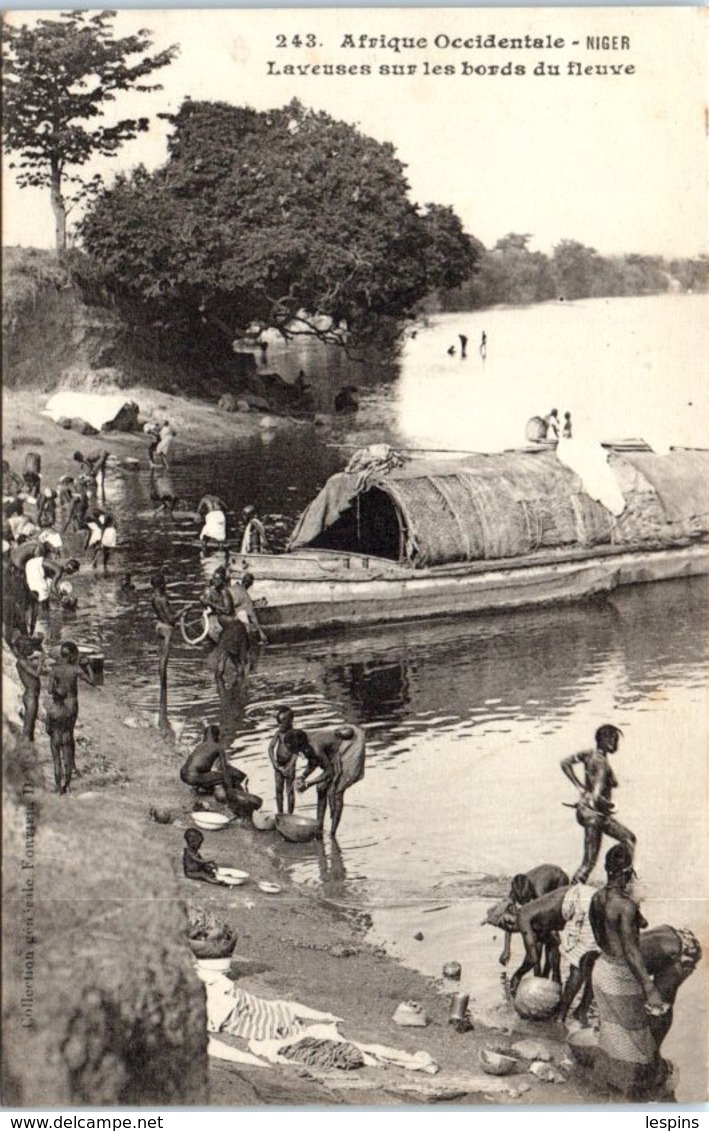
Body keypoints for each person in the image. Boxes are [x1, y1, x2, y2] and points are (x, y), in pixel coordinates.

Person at [588, 844, 669, 1096]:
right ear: (627, 872)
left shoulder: (596, 898)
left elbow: (603, 931)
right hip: (620, 976)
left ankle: (610, 1083)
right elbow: (632, 952)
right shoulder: (626, 906)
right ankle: (632, 1093)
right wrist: (649, 986)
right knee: (636, 1034)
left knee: (612, 1031)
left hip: (601, 970)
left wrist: (635, 915)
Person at [561, 724, 636, 883]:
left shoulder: (588, 754)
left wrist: (580, 788)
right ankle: (624, 881)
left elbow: (565, 763)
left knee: (589, 862)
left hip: (586, 812)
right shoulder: (601, 763)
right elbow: (596, 796)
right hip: (595, 815)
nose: (616, 744)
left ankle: (623, 879)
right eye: (614, 740)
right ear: (604, 740)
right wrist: (611, 807)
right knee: (627, 840)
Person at [286, 722, 366, 836]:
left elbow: (329, 772)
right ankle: (319, 826)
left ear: (300, 746)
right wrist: (303, 776)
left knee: (336, 791)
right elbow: (313, 761)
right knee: (321, 788)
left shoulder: (315, 746)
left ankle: (333, 832)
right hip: (334, 753)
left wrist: (308, 784)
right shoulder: (305, 740)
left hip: (349, 747)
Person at [484, 863, 570, 968]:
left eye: (527, 898)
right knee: (537, 933)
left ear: (530, 890)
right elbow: (507, 919)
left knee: (550, 932)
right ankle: (540, 971)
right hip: (544, 875)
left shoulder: (539, 891)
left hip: (559, 879)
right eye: (522, 900)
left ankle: (552, 969)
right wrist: (507, 949)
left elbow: (546, 916)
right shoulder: (514, 892)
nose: (525, 903)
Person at [45, 640, 96, 793]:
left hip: (60, 704)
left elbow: (49, 690)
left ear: (61, 654)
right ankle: (71, 767)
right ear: (73, 655)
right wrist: (87, 666)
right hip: (72, 704)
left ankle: (59, 782)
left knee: (57, 737)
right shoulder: (75, 668)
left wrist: (57, 690)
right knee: (69, 734)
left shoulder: (54, 669)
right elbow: (92, 681)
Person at [150, 573, 178, 697]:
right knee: (164, 661)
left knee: (161, 658)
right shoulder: (163, 599)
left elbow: (161, 615)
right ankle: (163, 689)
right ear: (161, 585)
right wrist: (184, 610)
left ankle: (163, 690)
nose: (165, 585)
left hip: (159, 627)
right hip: (167, 629)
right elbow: (171, 619)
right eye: (164, 583)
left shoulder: (153, 598)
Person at [14, 635, 44, 741]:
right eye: (30, 647)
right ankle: (24, 753)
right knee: (27, 729)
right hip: (30, 696)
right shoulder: (21, 662)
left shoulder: (25, 660)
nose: (32, 649)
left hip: (33, 695)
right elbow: (36, 674)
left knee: (31, 727)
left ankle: (29, 752)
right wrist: (41, 661)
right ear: (24, 649)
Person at [268, 706, 298, 815]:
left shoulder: (294, 735)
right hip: (279, 765)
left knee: (290, 791)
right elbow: (270, 748)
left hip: (289, 766)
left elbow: (295, 753)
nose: (279, 726)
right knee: (278, 790)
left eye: (281, 723)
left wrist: (289, 767)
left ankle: (290, 814)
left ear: (290, 722)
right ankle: (280, 813)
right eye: (278, 723)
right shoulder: (279, 733)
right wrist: (275, 764)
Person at [231, 572, 268, 644]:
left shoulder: (233, 587)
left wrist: (254, 602)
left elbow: (240, 602)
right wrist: (261, 633)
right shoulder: (245, 596)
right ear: (250, 584)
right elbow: (252, 616)